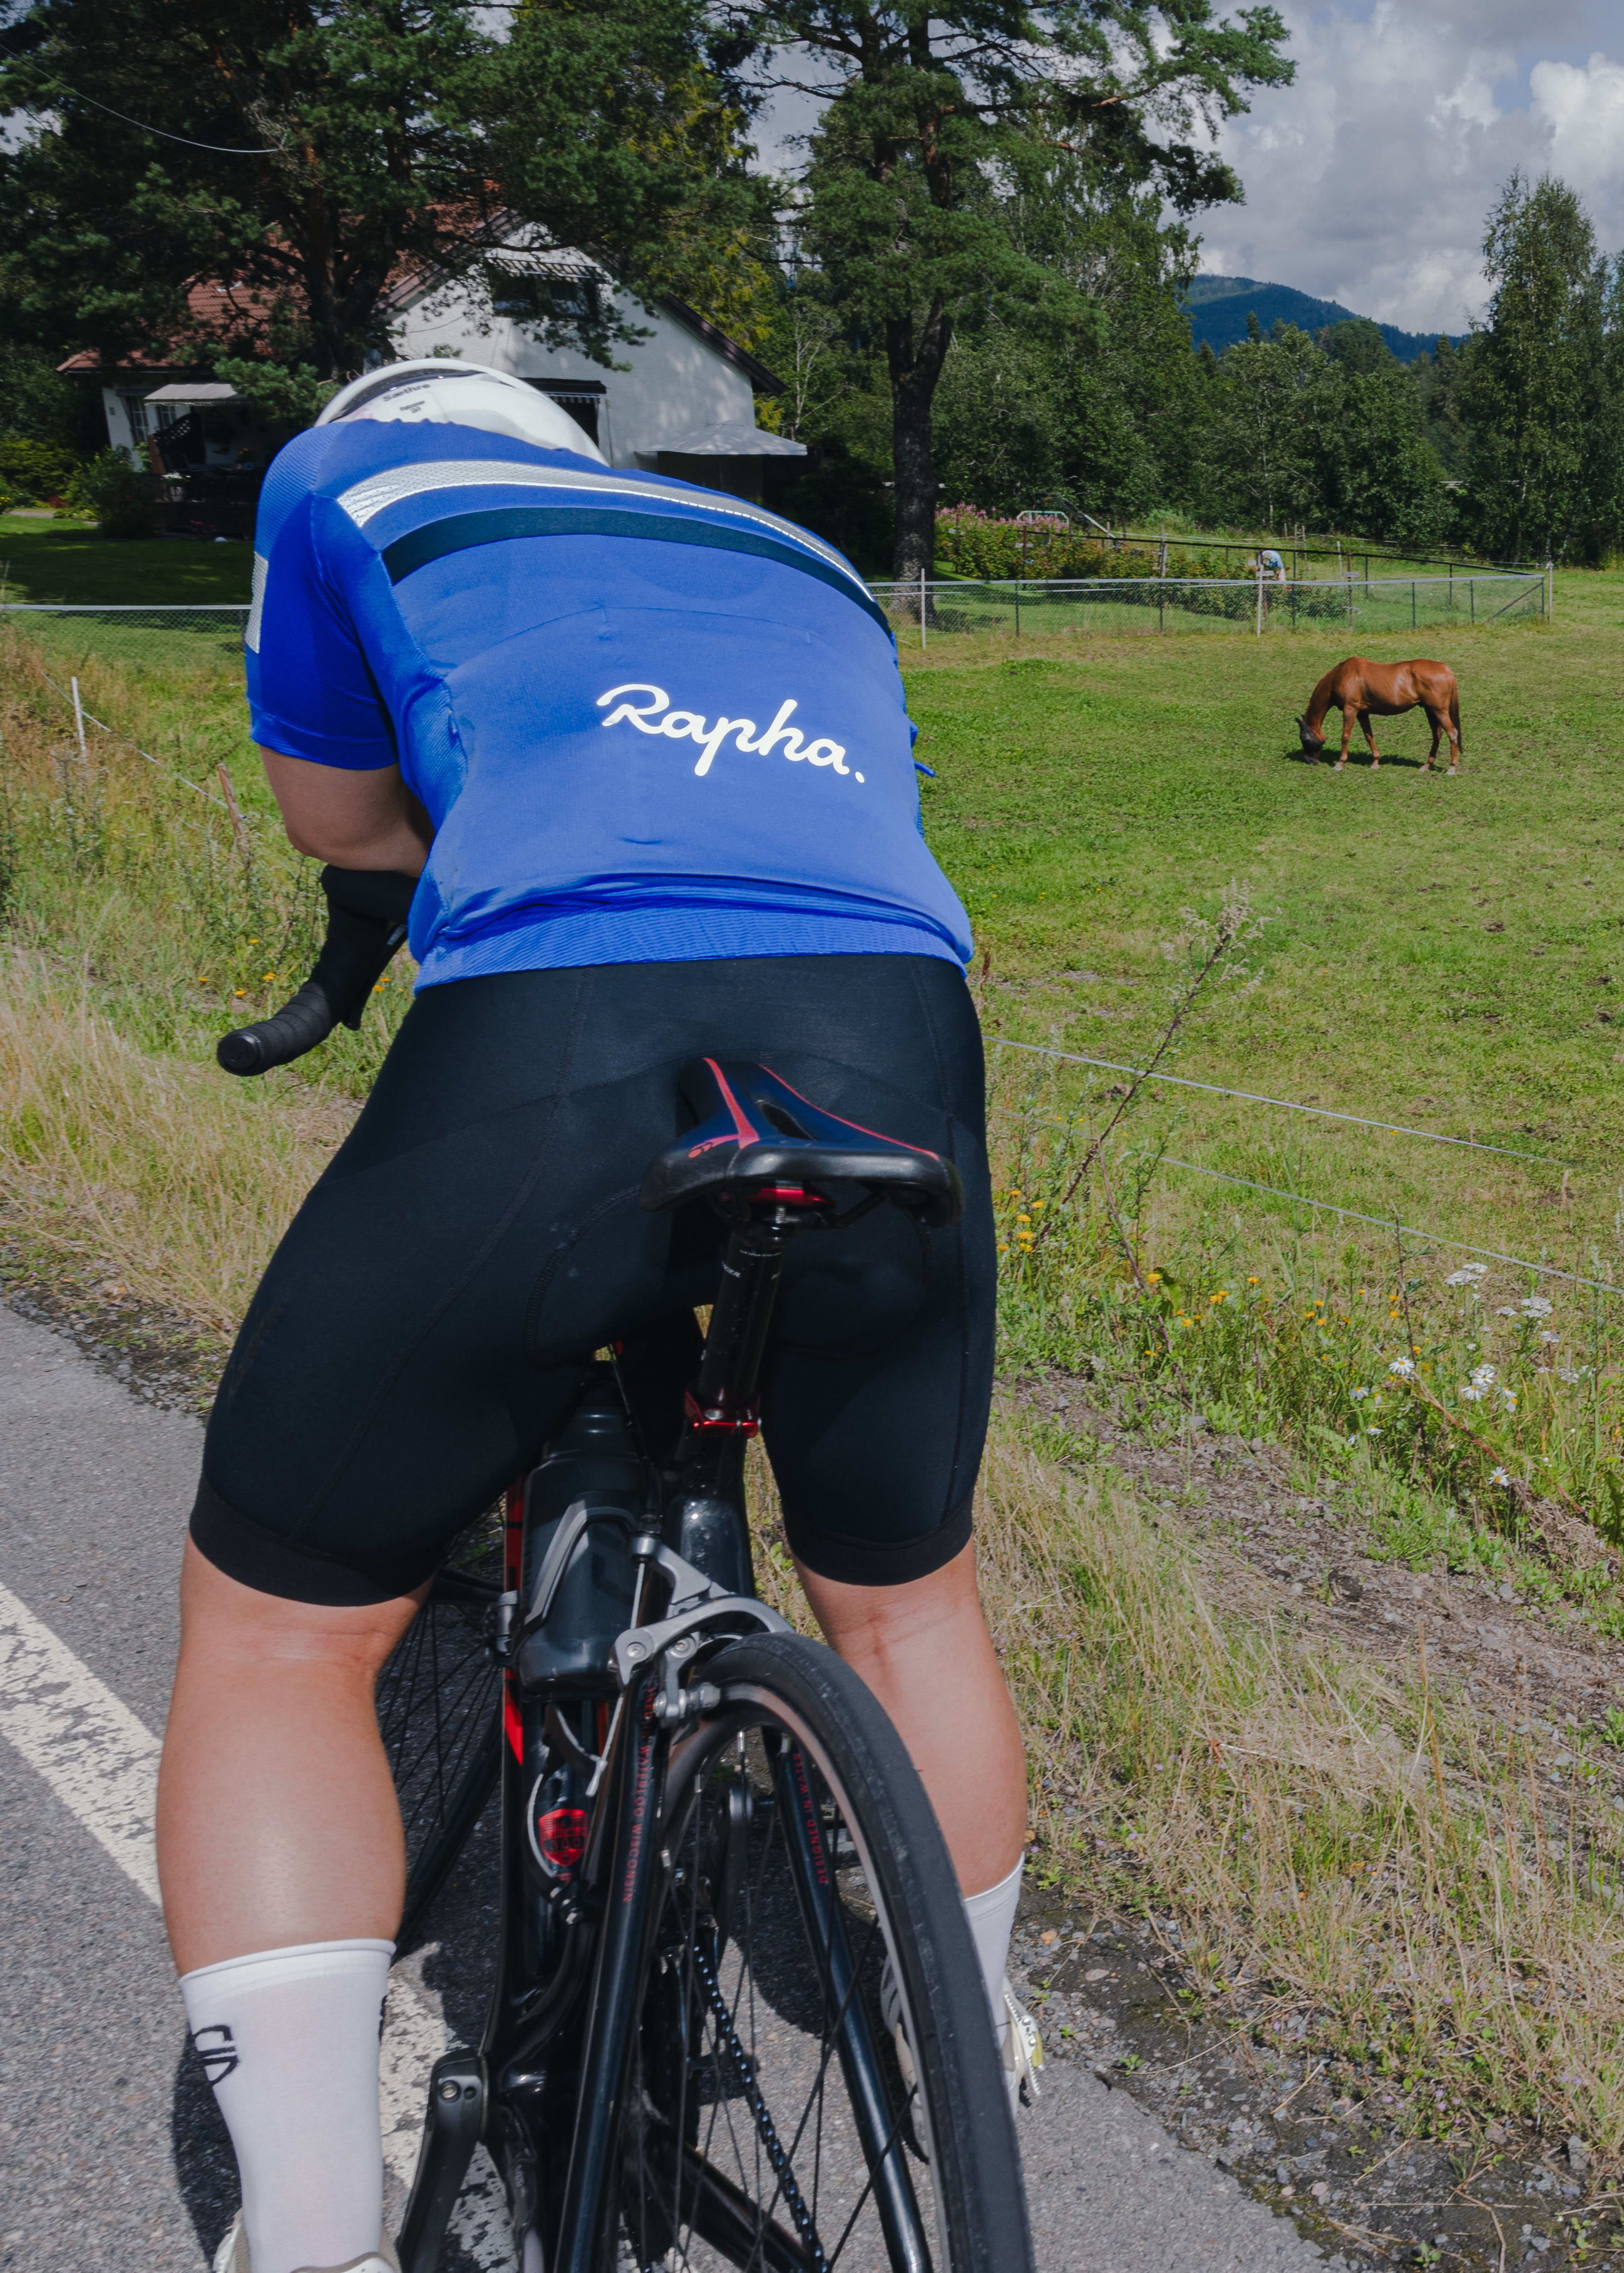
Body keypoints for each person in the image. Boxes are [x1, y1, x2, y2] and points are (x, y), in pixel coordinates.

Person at [162, 360, 1032, 2273]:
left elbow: (347, 815)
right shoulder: (793, 549)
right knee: (904, 1597)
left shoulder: (345, 480)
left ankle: (305, 2233)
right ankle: (977, 2043)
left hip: (561, 1015)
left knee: (285, 1626)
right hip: (894, 1014)